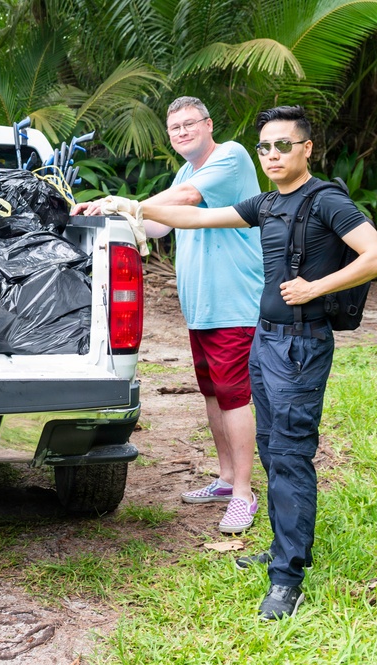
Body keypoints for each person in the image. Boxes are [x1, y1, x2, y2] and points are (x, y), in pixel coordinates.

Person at [134, 105, 377, 620]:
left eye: (283, 145)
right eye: (265, 147)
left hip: (301, 345)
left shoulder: (326, 200)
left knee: (291, 458)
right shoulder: (268, 203)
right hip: (265, 341)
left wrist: (316, 287)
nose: (273, 155)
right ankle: (281, 550)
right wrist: (128, 206)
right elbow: (196, 217)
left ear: (306, 149)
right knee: (273, 452)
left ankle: (286, 580)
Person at [74, 96, 263, 535]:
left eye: (189, 123)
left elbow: (187, 199)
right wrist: (110, 213)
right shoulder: (184, 172)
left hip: (235, 303)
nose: (182, 132)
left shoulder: (230, 156)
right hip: (202, 307)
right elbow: (158, 224)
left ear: (209, 124)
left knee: (234, 397)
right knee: (213, 395)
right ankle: (226, 479)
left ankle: (244, 494)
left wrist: (125, 202)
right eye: (174, 127)